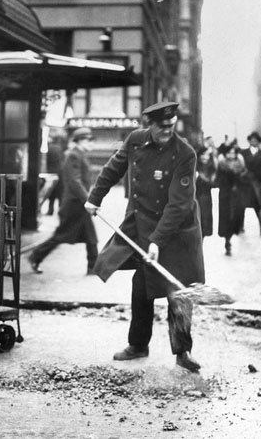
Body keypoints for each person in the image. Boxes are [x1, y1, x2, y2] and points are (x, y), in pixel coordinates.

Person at [84, 101, 204, 372]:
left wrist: (157, 241)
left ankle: (183, 351)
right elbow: (113, 168)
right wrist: (95, 197)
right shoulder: (136, 141)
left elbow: (179, 204)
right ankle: (138, 344)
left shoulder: (185, 153)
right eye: (162, 126)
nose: (167, 131)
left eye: (171, 125)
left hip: (178, 231)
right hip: (142, 224)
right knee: (142, 286)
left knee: (179, 291)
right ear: (150, 124)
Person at [28, 127, 98, 275]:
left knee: (90, 237)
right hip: (74, 205)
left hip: (79, 204)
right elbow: (74, 181)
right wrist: (88, 200)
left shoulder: (80, 155)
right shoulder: (73, 156)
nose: (91, 143)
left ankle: (93, 267)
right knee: (61, 236)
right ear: (79, 141)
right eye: (88, 140)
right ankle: (36, 255)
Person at [216, 143, 246, 256]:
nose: (231, 155)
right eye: (229, 153)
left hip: (236, 195)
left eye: (233, 153)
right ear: (225, 154)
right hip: (225, 195)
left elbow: (244, 179)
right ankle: (227, 241)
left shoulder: (240, 166)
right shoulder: (221, 165)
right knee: (226, 218)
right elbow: (218, 180)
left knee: (235, 218)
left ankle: (231, 236)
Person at [240, 131, 261, 235]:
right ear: (249, 141)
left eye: (256, 140)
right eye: (252, 140)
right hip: (246, 183)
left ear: (259, 142)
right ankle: (241, 225)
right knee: (243, 205)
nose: (253, 142)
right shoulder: (243, 153)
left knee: (257, 204)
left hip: (258, 183)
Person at [195, 145, 217, 238]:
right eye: (203, 154)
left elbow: (213, 183)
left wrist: (200, 176)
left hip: (205, 198)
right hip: (194, 198)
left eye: (207, 155)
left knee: (204, 223)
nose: (205, 157)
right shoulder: (194, 167)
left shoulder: (211, 168)